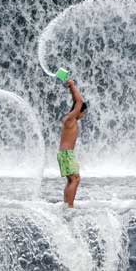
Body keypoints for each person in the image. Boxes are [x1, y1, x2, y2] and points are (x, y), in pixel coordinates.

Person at [58, 79, 87, 208]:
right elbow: (79, 102)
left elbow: (78, 103)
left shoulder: (70, 119)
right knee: (75, 179)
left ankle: (67, 204)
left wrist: (71, 89)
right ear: (78, 110)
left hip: (65, 154)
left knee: (72, 180)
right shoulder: (70, 119)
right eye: (83, 112)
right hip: (66, 154)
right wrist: (72, 86)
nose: (83, 115)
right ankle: (70, 206)